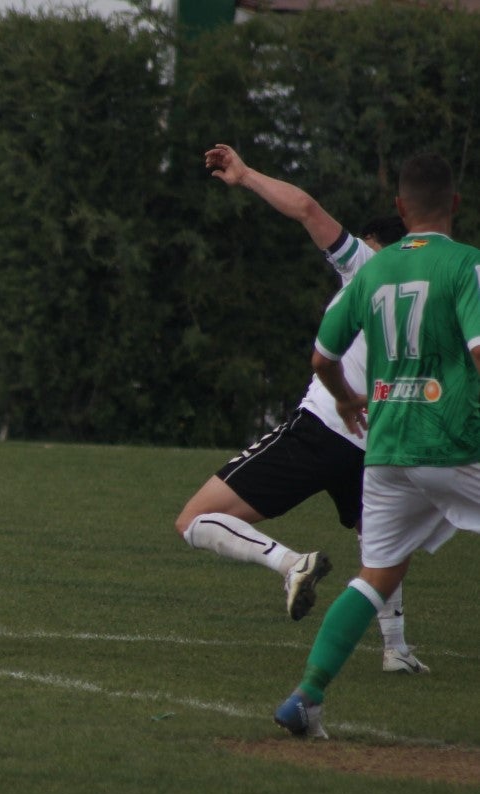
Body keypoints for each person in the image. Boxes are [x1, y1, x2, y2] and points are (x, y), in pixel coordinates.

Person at [176, 143, 426, 674]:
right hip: (382, 442)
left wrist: (244, 176)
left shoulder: (367, 267)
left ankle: (292, 564)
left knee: (194, 519)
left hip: (325, 426)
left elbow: (308, 210)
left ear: (378, 244)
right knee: (377, 545)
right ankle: (397, 650)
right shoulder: (438, 294)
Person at [274, 152, 480, 738]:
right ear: (456, 204)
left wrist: (344, 398)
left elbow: (321, 359)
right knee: (379, 572)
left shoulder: (373, 270)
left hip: (386, 449)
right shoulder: (468, 266)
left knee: (377, 576)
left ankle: (307, 696)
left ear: (398, 208)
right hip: (452, 442)